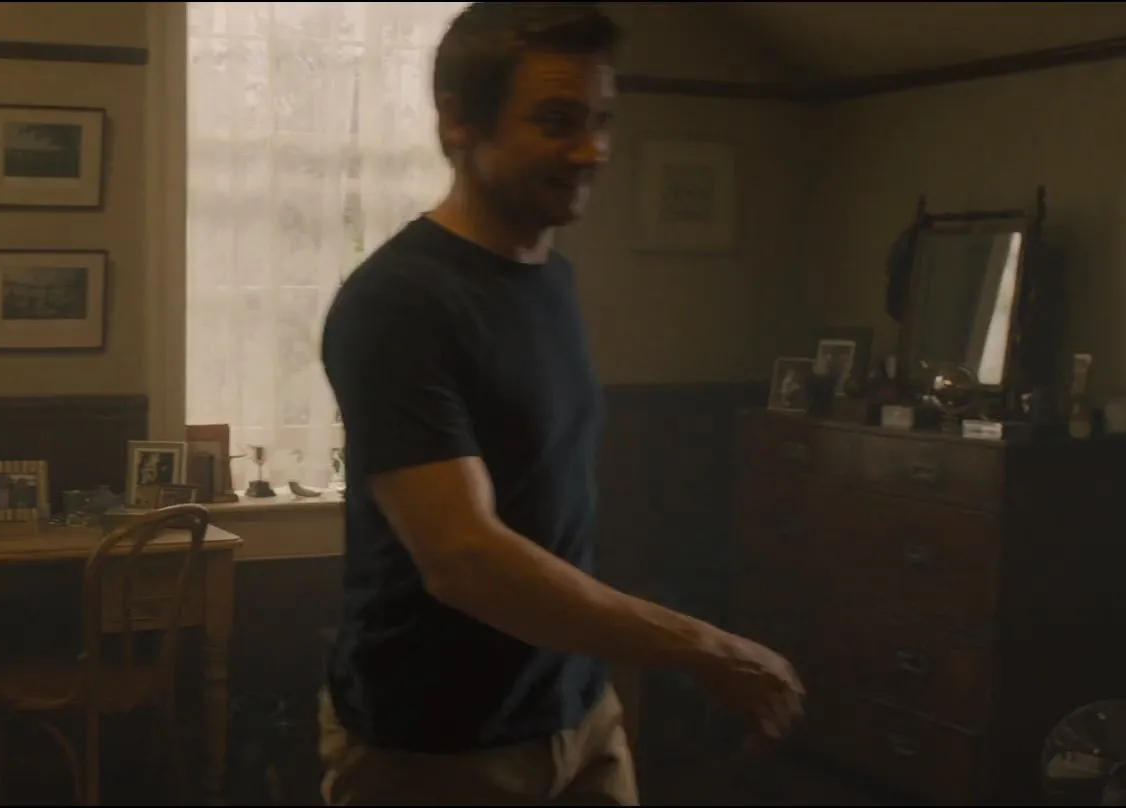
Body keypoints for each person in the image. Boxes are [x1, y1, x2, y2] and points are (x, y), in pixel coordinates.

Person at [318, 4, 803, 805]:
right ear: (458, 122)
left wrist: (602, 684)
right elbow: (466, 559)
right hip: (435, 745)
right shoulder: (397, 303)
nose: (591, 150)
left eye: (601, 120)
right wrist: (703, 647)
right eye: (557, 121)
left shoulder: (553, 278)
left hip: (580, 716)